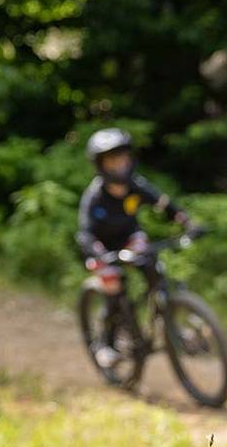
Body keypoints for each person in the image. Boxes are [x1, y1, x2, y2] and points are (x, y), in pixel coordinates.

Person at [75, 127, 200, 368]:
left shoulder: (136, 186)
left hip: (130, 240)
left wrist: (187, 222)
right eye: (113, 160)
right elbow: (85, 234)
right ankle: (105, 343)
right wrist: (100, 255)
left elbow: (164, 204)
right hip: (102, 249)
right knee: (112, 283)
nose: (120, 165)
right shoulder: (94, 197)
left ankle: (172, 327)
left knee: (155, 269)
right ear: (101, 164)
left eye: (122, 158)